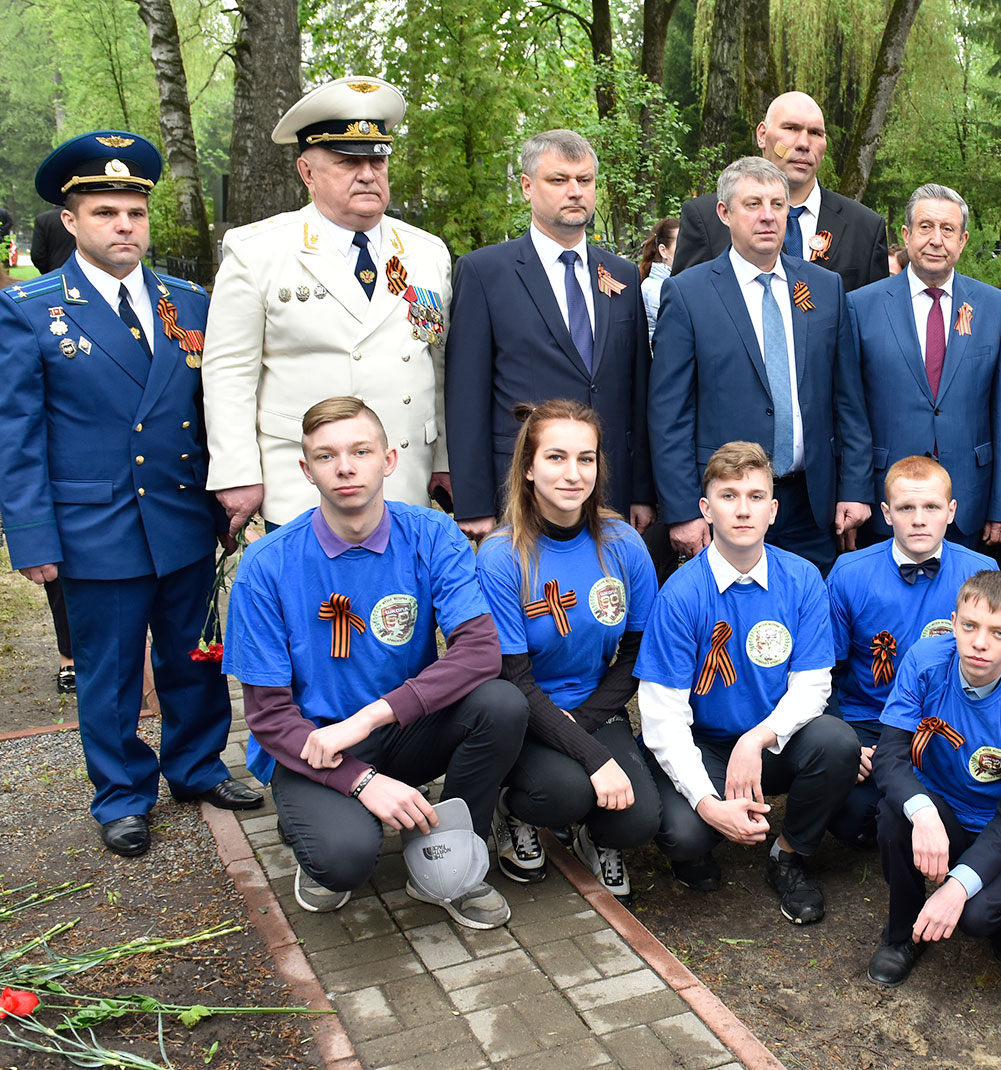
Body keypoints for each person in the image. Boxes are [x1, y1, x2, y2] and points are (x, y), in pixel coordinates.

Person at [0, 131, 256, 857]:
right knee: (109, 674)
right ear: (71, 221)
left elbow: (216, 406)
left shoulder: (189, 303)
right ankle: (121, 795)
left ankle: (198, 767)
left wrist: (228, 493)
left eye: (135, 213)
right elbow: (16, 435)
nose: (123, 226)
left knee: (194, 659)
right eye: (105, 213)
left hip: (181, 514)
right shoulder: (32, 310)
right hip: (95, 525)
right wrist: (31, 536)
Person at [224, 397, 527, 928]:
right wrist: (361, 781)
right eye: (327, 456)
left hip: (404, 728)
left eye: (360, 451)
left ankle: (452, 856)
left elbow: (480, 650)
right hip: (316, 745)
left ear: (388, 460)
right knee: (344, 860)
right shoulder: (267, 564)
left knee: (500, 704)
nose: (345, 467)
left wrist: (369, 718)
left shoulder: (432, 534)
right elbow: (269, 717)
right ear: (306, 470)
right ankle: (310, 824)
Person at [203, 75, 453, 532]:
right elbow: (229, 371)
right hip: (302, 485)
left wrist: (444, 460)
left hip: (402, 480)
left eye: (378, 160)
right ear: (307, 173)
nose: (368, 174)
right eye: (348, 161)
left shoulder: (426, 253)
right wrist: (236, 471)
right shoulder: (258, 251)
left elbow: (437, 365)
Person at [633, 441, 862, 922]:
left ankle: (788, 854)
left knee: (837, 742)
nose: (743, 510)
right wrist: (706, 803)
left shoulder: (802, 579)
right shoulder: (680, 594)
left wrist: (757, 739)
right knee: (686, 833)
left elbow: (814, 685)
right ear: (706, 509)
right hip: (704, 744)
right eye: (729, 496)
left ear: (773, 510)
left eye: (756, 497)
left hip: (771, 742)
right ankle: (704, 837)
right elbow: (662, 715)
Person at [649, 156, 871, 575]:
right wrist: (682, 509)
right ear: (724, 212)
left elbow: (848, 400)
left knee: (810, 611)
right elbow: (668, 414)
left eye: (777, 204)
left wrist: (856, 488)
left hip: (811, 506)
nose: (767, 216)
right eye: (752, 204)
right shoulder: (688, 294)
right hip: (728, 507)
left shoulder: (825, 288)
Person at [476, 400, 661, 901]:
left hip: (593, 708)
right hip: (525, 716)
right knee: (564, 793)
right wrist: (593, 757)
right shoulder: (501, 556)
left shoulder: (624, 543)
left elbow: (638, 654)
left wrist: (583, 726)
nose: (573, 473)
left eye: (586, 458)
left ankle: (594, 839)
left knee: (639, 821)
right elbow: (512, 679)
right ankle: (510, 809)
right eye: (556, 457)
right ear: (529, 467)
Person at [444, 130, 653, 540]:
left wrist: (643, 490)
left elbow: (638, 391)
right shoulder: (485, 273)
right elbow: (466, 395)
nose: (575, 191)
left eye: (585, 180)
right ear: (527, 186)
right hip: (521, 487)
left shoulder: (622, 275)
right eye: (559, 180)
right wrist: (473, 502)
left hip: (609, 487)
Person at [867, 570, 1001, 986]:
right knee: (894, 815)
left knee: (977, 916)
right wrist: (923, 814)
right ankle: (902, 934)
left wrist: (956, 886)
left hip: (994, 825)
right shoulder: (926, 659)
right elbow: (890, 755)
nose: (980, 642)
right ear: (953, 623)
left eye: (998, 632)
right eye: (970, 626)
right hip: (942, 806)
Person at [827, 456, 998, 847]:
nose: (919, 520)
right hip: (872, 721)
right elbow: (825, 670)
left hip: (948, 723)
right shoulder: (849, 573)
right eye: (906, 508)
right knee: (848, 817)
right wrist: (848, 739)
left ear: (951, 511)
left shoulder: (981, 572)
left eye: (931, 507)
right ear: (886, 513)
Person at [847, 184, 1001, 548]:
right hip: (886, 499)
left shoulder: (995, 307)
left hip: (968, 500)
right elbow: (850, 410)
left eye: (948, 230)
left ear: (963, 240)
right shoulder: (861, 307)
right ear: (906, 234)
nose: (936, 240)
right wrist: (851, 492)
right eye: (925, 227)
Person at [670, 92, 889, 292]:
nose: (804, 144)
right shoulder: (706, 219)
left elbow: (876, 316)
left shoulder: (865, 228)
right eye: (791, 128)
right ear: (762, 135)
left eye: (815, 133)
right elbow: (685, 306)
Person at [639, 217, 678, 340]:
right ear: (663, 250)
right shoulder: (654, 287)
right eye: (680, 244)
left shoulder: (671, 280)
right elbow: (680, 325)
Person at [30, 205, 74, 273]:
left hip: (54, 269)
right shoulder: (81, 218)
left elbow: (37, 255)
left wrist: (47, 272)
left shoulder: (43, 219)